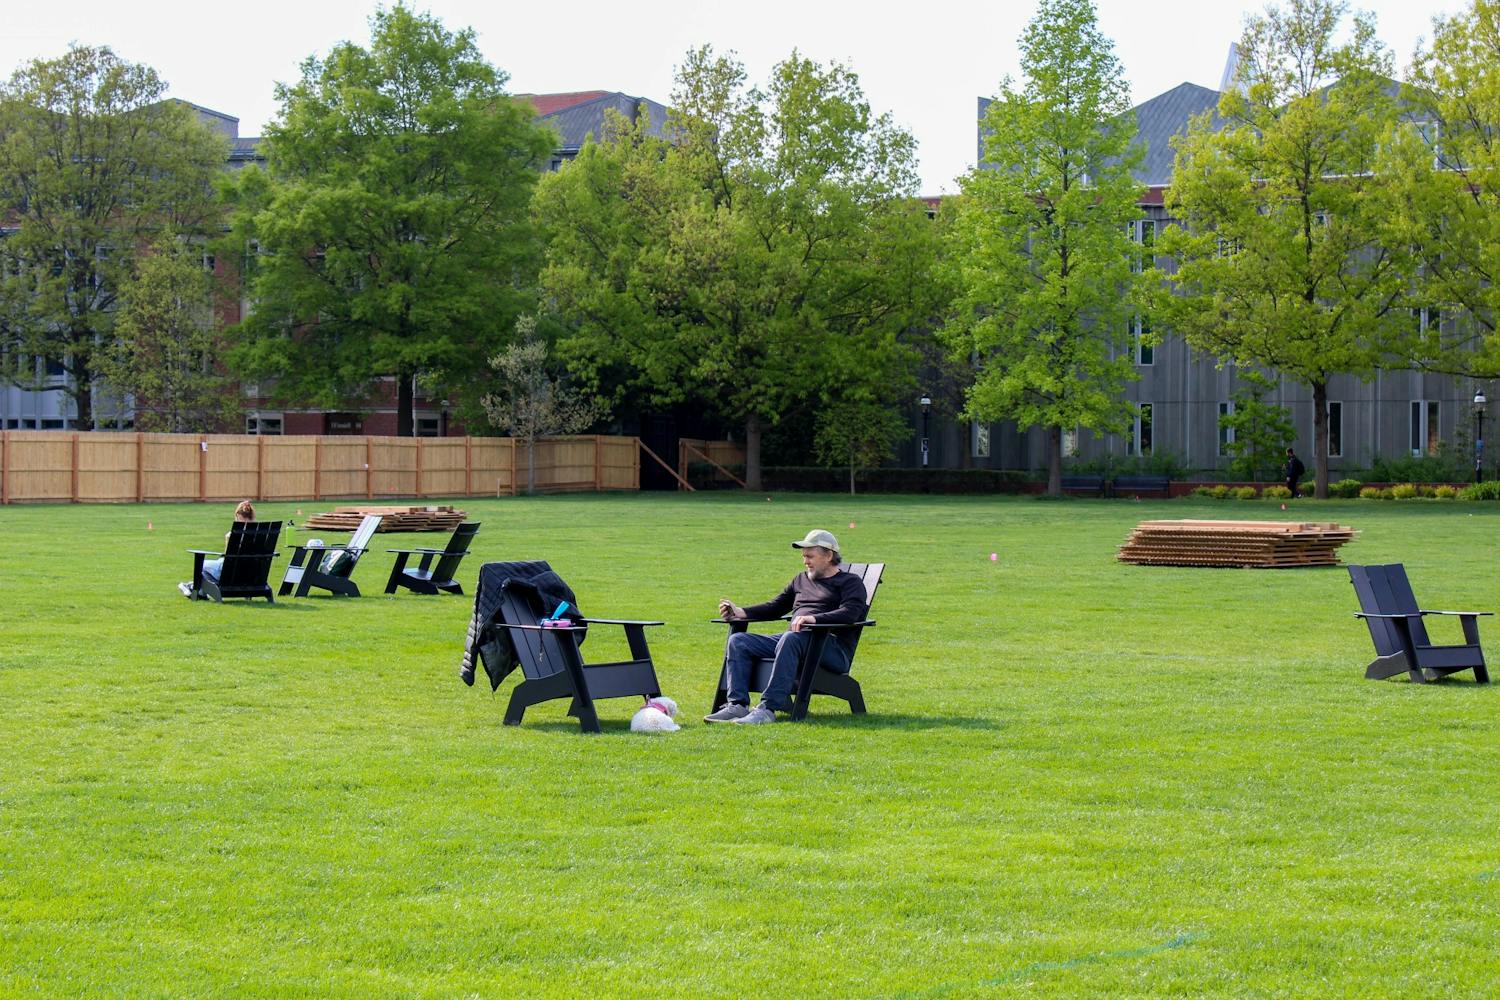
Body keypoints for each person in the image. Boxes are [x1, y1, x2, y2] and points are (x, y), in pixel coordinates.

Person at [705, 529, 869, 725]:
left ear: (829, 555)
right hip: (793, 641)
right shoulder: (801, 579)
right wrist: (741, 612)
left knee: (790, 637)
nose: (805, 561)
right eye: (803, 556)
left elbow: (851, 612)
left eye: (810, 556)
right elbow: (776, 607)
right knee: (739, 641)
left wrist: (813, 619)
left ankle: (768, 708)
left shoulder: (850, 582)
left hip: (830, 648)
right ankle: (737, 705)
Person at [179, 500, 256, 596]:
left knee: (201, 565)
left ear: (238, 516)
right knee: (213, 568)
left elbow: (228, 557)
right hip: (251, 575)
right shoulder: (260, 535)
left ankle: (196, 590)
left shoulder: (234, 535)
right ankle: (195, 588)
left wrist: (228, 540)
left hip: (229, 574)